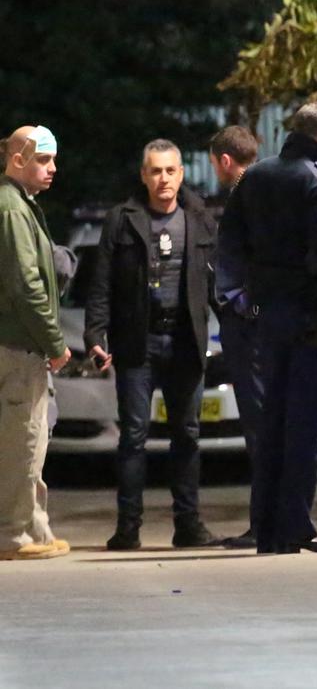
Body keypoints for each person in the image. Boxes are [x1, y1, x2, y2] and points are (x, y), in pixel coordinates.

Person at [218, 101, 317, 554]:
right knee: (305, 425)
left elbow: (230, 245)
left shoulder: (254, 178)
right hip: (311, 320)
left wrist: (244, 299)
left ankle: (266, 526)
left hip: (267, 319)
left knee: (271, 422)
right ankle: (297, 524)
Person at [84, 139, 221, 551]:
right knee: (134, 437)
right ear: (144, 175)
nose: (163, 178)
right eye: (155, 171)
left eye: (170, 170)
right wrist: (95, 335)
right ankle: (128, 528)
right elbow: (101, 283)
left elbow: (217, 282)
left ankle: (188, 524)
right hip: (137, 343)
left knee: (188, 434)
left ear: (181, 174)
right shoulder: (122, 220)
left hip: (185, 341)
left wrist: (243, 326)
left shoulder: (199, 218)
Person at [0, 125, 72, 560]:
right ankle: (14, 535)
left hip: (20, 342)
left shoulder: (19, 206)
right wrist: (55, 342)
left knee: (27, 438)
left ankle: (34, 528)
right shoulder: (11, 209)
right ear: (18, 158)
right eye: (44, 159)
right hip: (20, 345)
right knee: (23, 438)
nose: (52, 168)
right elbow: (26, 285)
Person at [209, 126, 262, 550]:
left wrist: (237, 305)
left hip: (250, 328)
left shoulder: (247, 195)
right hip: (256, 324)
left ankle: (265, 522)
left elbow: (249, 261)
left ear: (225, 161)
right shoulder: (262, 191)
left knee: (259, 424)